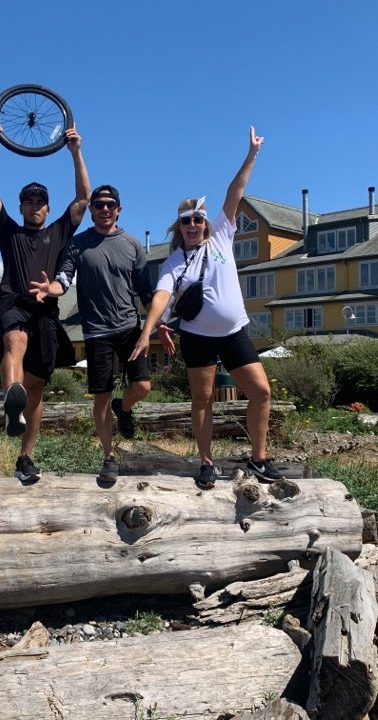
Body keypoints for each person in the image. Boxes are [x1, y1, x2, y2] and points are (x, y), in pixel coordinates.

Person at [130, 126, 284, 489]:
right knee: (202, 399)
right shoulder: (172, 264)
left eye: (198, 219)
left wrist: (251, 154)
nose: (194, 225)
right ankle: (206, 462)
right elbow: (162, 297)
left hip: (233, 335)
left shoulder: (223, 235)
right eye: (187, 221)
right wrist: (147, 329)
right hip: (197, 338)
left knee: (261, 391)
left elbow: (236, 191)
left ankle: (259, 458)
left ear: (205, 223)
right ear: (179, 228)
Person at [0, 117, 90, 483]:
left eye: (41, 201)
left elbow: (84, 198)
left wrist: (76, 152)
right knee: (15, 340)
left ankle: (25, 457)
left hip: (47, 310)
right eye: (29, 201)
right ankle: (12, 402)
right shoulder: (8, 232)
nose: (35, 206)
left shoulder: (59, 231)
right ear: (22, 206)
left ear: (46, 206)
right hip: (14, 302)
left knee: (38, 386)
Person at [30, 185, 154, 482]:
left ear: (119, 209)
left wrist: (158, 321)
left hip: (129, 327)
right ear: (93, 210)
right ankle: (109, 457)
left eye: (110, 204)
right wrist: (50, 290)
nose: (104, 209)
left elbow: (145, 291)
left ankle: (123, 408)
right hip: (97, 332)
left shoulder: (133, 244)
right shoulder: (79, 244)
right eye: (98, 204)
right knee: (101, 396)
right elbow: (63, 280)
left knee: (143, 387)